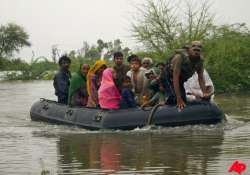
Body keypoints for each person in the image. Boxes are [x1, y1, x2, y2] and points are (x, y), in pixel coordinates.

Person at [161, 41, 210, 110]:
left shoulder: (200, 61)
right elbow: (175, 78)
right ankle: (164, 103)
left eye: (198, 50)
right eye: (194, 50)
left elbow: (201, 78)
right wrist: (178, 98)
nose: (196, 52)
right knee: (174, 99)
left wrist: (204, 93)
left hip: (180, 80)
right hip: (167, 77)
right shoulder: (179, 57)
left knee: (183, 99)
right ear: (189, 50)